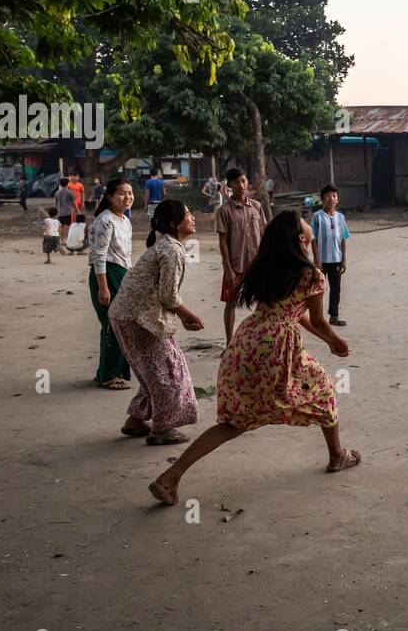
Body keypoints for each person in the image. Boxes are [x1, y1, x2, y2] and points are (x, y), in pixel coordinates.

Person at [148, 210, 360, 506]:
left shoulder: (267, 267)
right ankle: (337, 455)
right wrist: (335, 339)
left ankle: (169, 477)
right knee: (324, 390)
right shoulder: (312, 275)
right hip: (276, 349)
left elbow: (295, 317)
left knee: (233, 422)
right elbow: (318, 320)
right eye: (304, 224)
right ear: (301, 238)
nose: (308, 225)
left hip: (246, 343)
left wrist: (328, 342)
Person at [107, 199, 204, 444]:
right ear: (174, 223)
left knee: (152, 372)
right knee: (169, 373)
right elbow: (168, 296)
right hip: (137, 318)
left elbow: (165, 296)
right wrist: (188, 315)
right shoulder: (172, 249)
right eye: (188, 214)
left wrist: (181, 316)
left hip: (128, 315)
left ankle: (136, 420)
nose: (193, 218)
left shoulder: (168, 245)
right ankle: (162, 429)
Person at [88, 176, 136, 390]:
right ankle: (109, 374)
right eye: (122, 193)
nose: (127, 197)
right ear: (109, 197)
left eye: (130, 193)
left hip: (122, 274)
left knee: (122, 323)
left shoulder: (125, 220)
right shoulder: (105, 220)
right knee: (112, 324)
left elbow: (126, 254)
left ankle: (113, 370)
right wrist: (103, 286)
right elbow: (99, 255)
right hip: (107, 274)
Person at [215, 168, 267, 345]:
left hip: (257, 265)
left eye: (243, 181)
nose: (241, 185)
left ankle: (261, 341)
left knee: (265, 304)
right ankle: (229, 343)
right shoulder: (224, 211)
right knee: (230, 303)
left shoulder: (257, 207)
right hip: (235, 266)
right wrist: (227, 268)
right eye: (236, 182)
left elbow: (264, 232)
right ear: (229, 185)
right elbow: (223, 242)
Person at [310, 184, 350, 327]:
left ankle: (334, 316)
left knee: (336, 288)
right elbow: (313, 239)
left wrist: (344, 259)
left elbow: (343, 238)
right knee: (318, 289)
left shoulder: (340, 217)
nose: (331, 199)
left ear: (337, 199)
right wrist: (316, 259)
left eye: (334, 196)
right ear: (322, 199)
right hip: (322, 260)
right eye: (327, 196)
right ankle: (316, 317)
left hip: (336, 259)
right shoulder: (317, 217)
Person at [54, 180, 77, 252]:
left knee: (61, 226)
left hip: (60, 212)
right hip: (67, 212)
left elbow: (56, 203)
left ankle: (62, 240)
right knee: (67, 226)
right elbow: (73, 202)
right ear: (67, 184)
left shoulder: (57, 192)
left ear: (60, 184)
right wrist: (77, 211)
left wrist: (56, 211)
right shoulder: (70, 192)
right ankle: (65, 240)